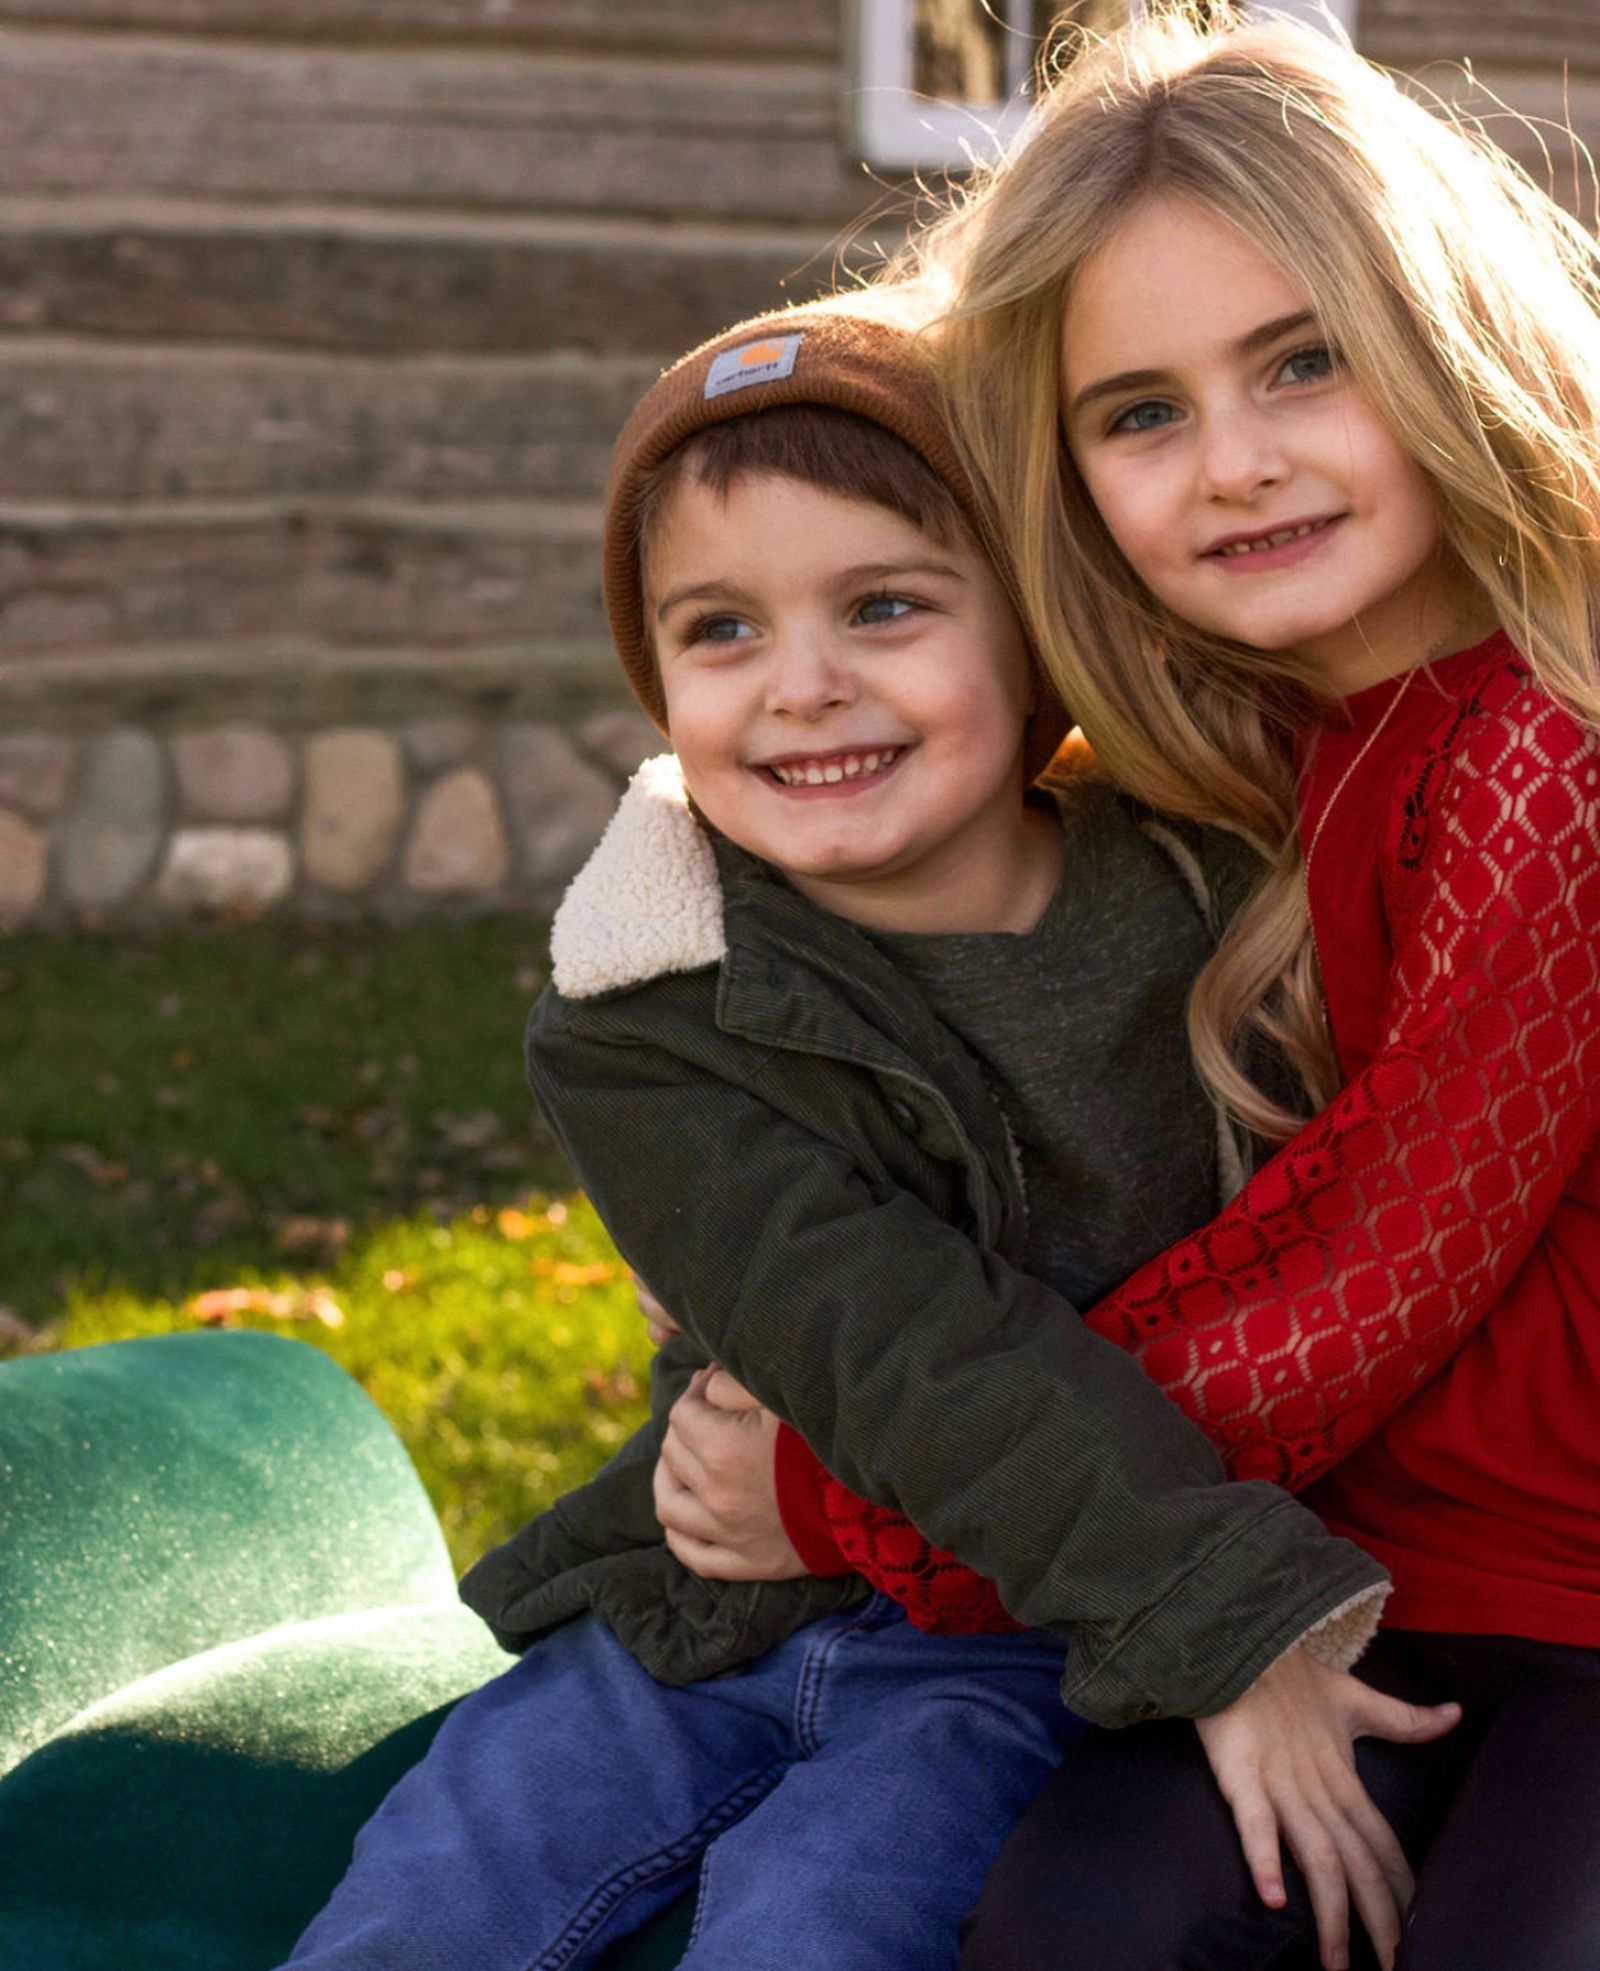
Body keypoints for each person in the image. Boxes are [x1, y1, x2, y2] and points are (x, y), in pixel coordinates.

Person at [278, 298, 1400, 1971]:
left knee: (827, 1921)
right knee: (436, 1892)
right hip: (705, 1601)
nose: (804, 688)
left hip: (1021, 1633)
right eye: (719, 631)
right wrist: (1228, 1631)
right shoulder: (648, 1016)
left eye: (883, 607)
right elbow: (893, 1341)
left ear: (1034, 628)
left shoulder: (1216, 910)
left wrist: (1204, 1621)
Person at [881, 0, 1600, 1970]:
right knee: (1079, 1932)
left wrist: (853, 1490)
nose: (1235, 463)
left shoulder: (1553, 738)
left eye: (1301, 363)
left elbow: (1350, 1281)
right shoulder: (1266, 755)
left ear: (1435, 336)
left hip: (1567, 1587)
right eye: (1139, 411)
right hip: (1365, 1570)